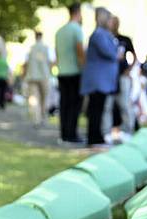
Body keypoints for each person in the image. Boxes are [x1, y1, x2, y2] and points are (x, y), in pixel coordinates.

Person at [80, 8, 120, 148]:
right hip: (98, 81)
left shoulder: (103, 34)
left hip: (102, 81)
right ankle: (94, 138)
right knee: (95, 109)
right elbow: (110, 53)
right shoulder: (99, 35)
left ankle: (97, 137)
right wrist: (117, 54)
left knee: (98, 109)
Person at [55, 3, 85, 143]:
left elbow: (57, 54)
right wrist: (84, 68)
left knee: (64, 104)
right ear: (78, 12)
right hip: (74, 73)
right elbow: (80, 51)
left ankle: (64, 134)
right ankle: (71, 134)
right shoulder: (76, 29)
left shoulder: (60, 31)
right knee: (74, 105)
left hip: (62, 73)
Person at [110, 16, 136, 138]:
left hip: (122, 75)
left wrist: (129, 70)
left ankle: (129, 128)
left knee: (124, 103)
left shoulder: (124, 39)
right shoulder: (107, 38)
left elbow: (135, 56)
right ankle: (112, 129)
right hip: (110, 77)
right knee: (110, 103)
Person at [24, 31, 52, 126]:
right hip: (44, 76)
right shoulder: (46, 48)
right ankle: (43, 118)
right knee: (44, 98)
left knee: (35, 98)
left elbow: (26, 64)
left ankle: (37, 119)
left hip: (32, 76)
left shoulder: (30, 49)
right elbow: (50, 62)